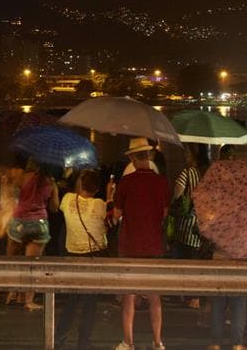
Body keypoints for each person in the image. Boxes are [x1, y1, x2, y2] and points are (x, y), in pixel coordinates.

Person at [113, 137, 170, 350]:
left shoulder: (126, 182)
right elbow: (164, 213)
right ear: (149, 156)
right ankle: (157, 341)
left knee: (129, 298)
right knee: (155, 297)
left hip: (130, 245)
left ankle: (128, 342)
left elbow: (117, 213)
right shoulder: (162, 182)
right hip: (154, 245)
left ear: (134, 158)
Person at [55, 169, 108, 350]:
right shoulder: (100, 204)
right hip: (93, 257)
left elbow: (59, 207)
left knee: (71, 299)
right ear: (97, 187)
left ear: (80, 184)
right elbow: (105, 219)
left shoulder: (68, 199)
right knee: (89, 302)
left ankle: (59, 336)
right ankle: (83, 341)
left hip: (72, 255)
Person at [5, 154, 59, 311]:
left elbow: (12, 196)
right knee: (33, 264)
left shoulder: (22, 177)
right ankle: (28, 300)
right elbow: (54, 207)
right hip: (39, 224)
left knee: (13, 261)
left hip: (19, 222)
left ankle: (12, 292)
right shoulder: (50, 182)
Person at [171, 143, 209, 310]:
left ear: (193, 155)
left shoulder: (186, 174)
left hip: (186, 227)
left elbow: (177, 196)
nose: (185, 157)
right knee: (198, 264)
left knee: (182, 262)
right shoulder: (210, 174)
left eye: (187, 154)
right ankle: (196, 297)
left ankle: (184, 295)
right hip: (204, 227)